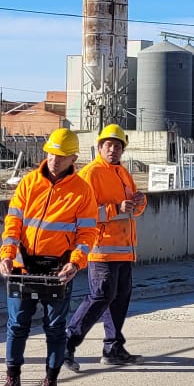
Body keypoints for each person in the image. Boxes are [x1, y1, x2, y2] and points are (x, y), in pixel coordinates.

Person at [0, 126, 97, 386]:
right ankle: (12, 382)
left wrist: (75, 263)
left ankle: (50, 385)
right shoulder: (28, 184)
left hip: (58, 270)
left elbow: (87, 234)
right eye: (51, 153)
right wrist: (7, 254)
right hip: (23, 267)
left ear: (73, 158)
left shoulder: (82, 192)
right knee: (16, 326)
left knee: (55, 328)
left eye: (61, 156)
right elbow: (12, 223)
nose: (54, 159)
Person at [68, 123, 146, 365]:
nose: (113, 149)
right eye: (108, 145)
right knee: (101, 295)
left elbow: (132, 210)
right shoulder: (90, 174)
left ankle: (113, 348)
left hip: (124, 249)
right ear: (99, 147)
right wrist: (115, 209)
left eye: (117, 146)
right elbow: (81, 213)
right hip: (101, 248)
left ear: (123, 150)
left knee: (120, 297)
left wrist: (140, 202)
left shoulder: (123, 173)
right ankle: (66, 343)